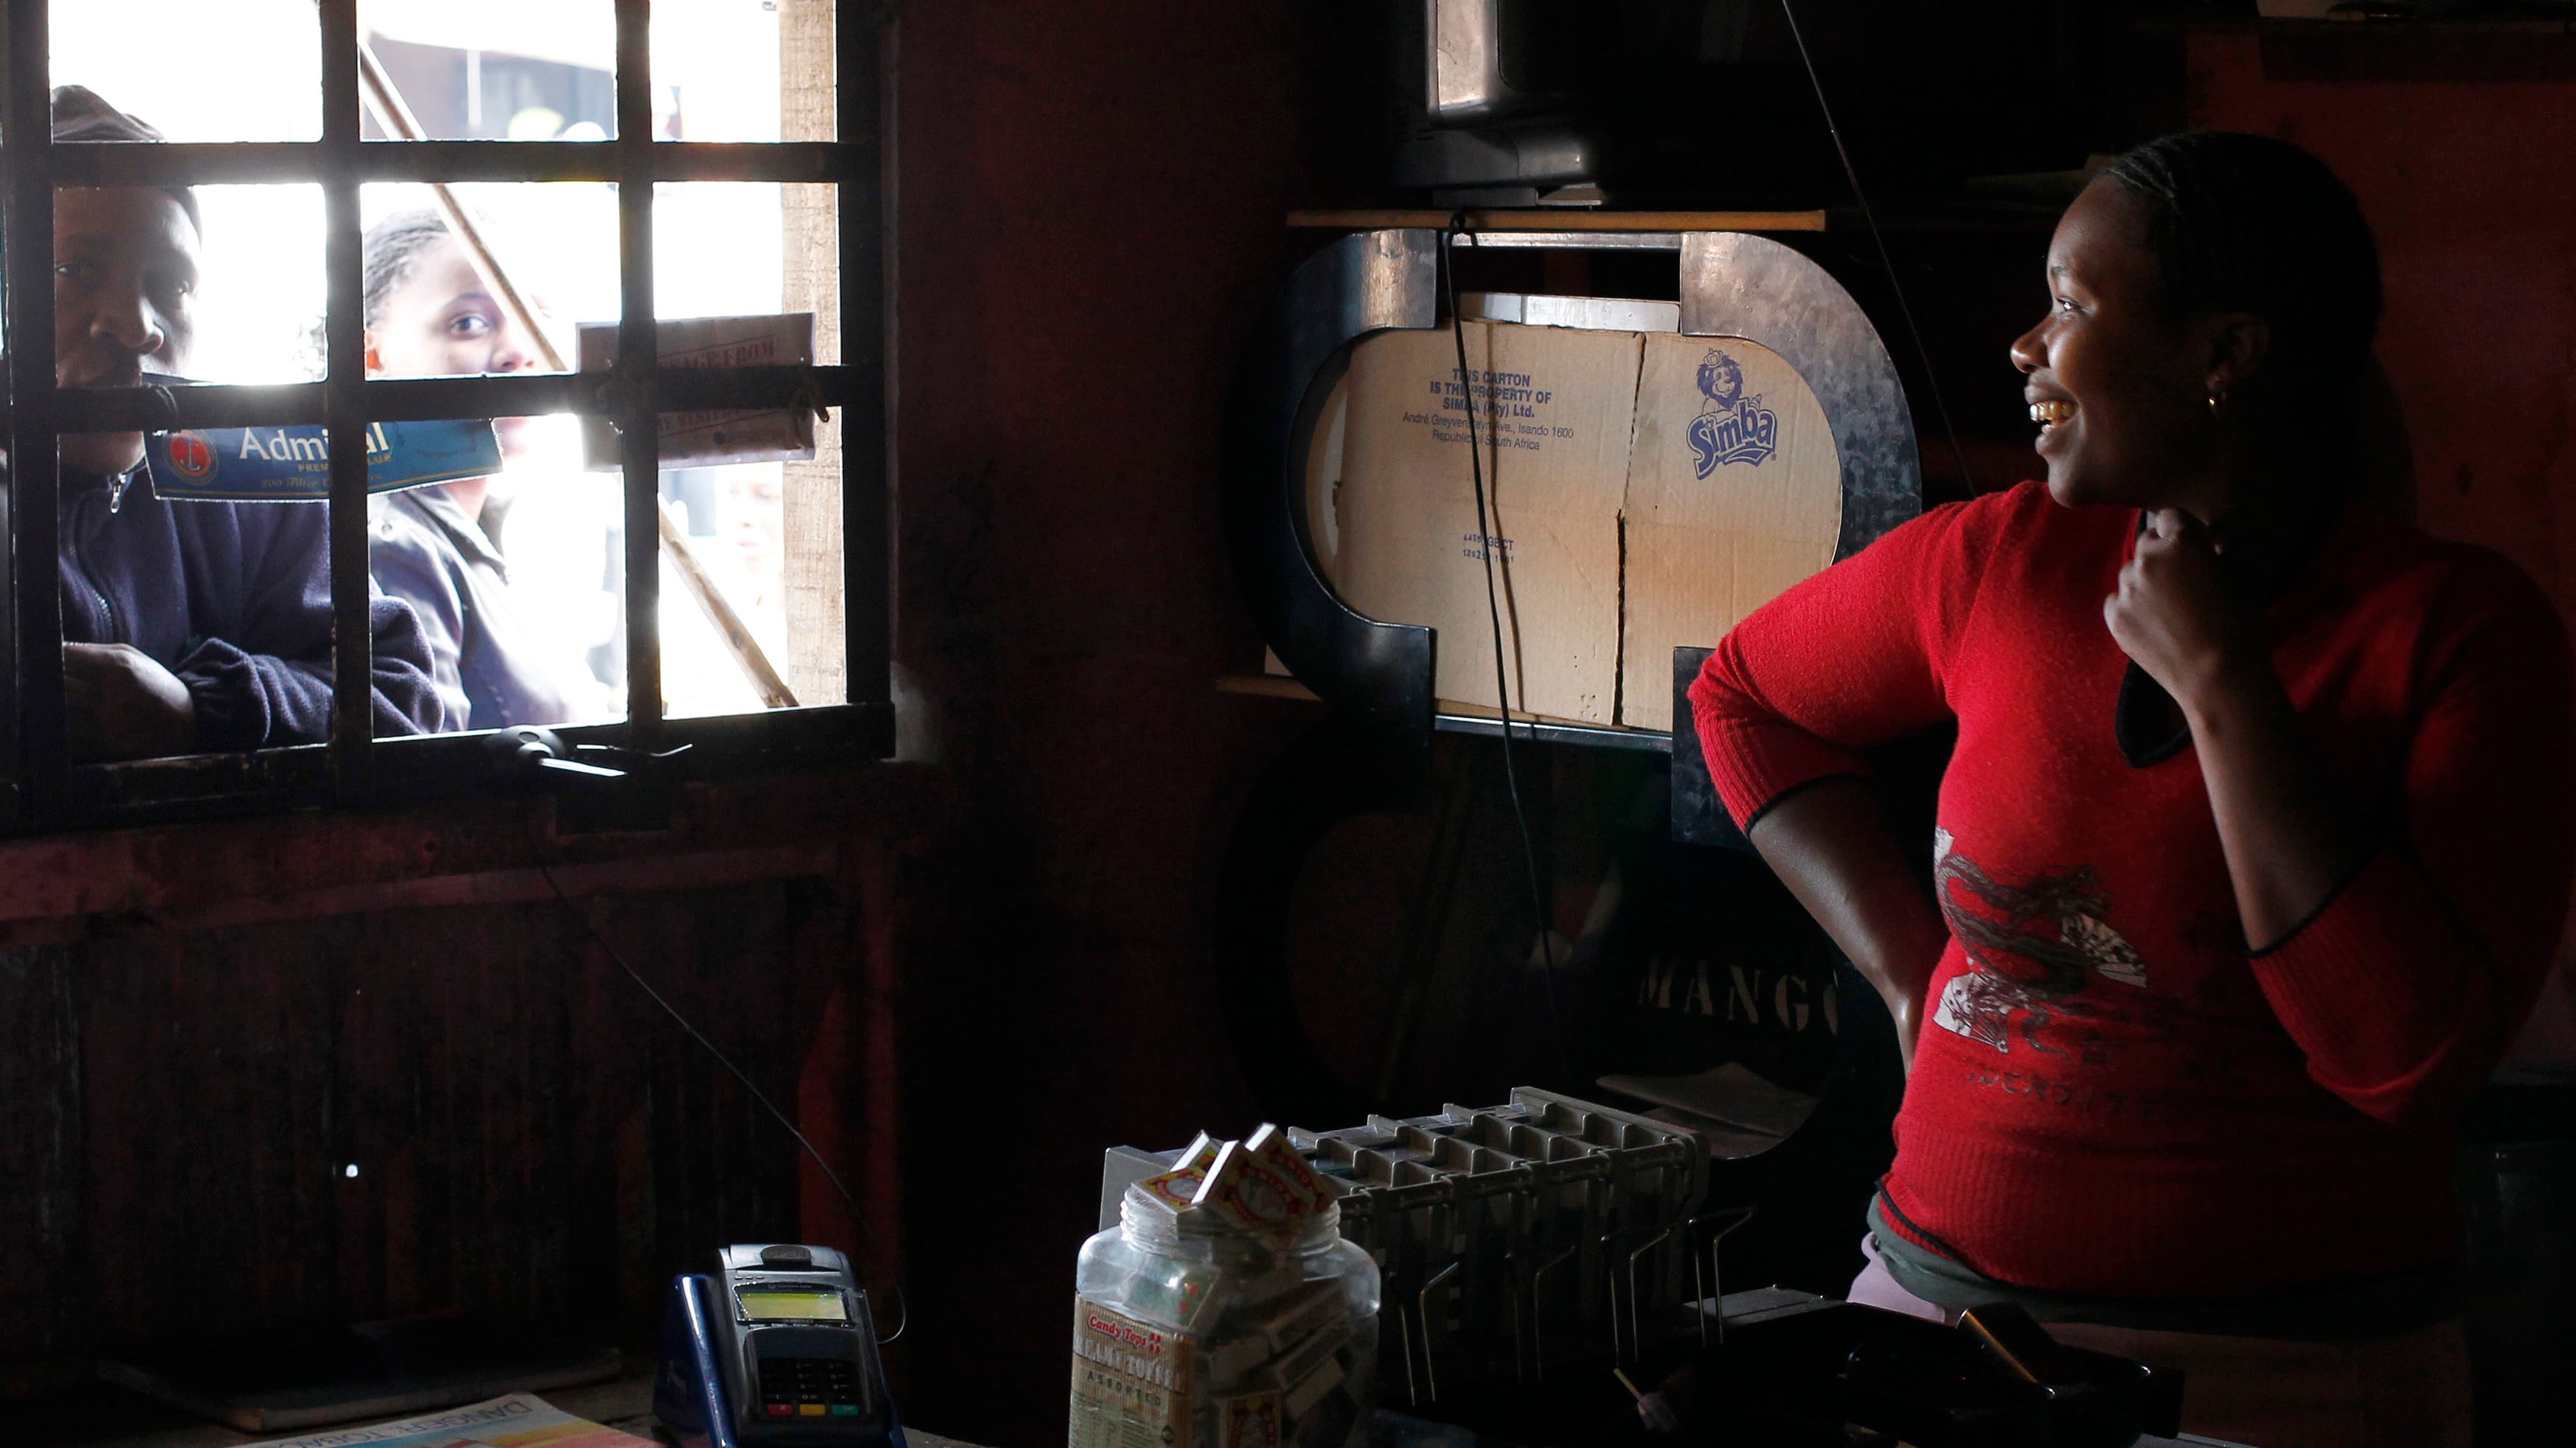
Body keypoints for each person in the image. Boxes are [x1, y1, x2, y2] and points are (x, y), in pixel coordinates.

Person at [1688, 132, 2575, 1448]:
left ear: (2225, 355)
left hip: (2294, 1381)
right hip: (1936, 1330)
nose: (2027, 344)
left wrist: (2223, 684)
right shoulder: (1999, 559)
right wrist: (1905, 969)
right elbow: (1746, 697)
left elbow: (2405, 1063)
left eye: (2074, 303)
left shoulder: (2459, 635)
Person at [43, 85, 442, 757]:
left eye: (171, 284)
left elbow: (399, 698)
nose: (139, 327)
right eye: (75, 268)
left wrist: (202, 707)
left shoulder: (243, 476)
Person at [360, 208, 608, 731]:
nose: (520, 353)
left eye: (536, 317)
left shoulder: (467, 534)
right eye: (468, 323)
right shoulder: (394, 548)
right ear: (372, 353)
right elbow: (436, 777)